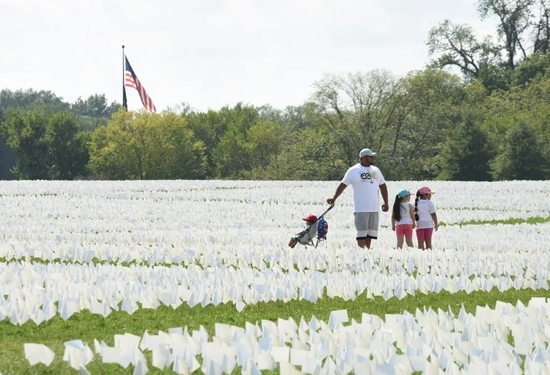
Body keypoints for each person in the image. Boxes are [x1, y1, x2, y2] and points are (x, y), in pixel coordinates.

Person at [327, 148, 389, 249]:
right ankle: (361, 251)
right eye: (370, 156)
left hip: (374, 207)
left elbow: (382, 186)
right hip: (361, 208)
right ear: (363, 158)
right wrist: (334, 198)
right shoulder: (354, 170)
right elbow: (343, 185)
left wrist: (386, 202)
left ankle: (367, 251)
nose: (372, 158)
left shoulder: (376, 170)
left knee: (371, 233)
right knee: (362, 233)